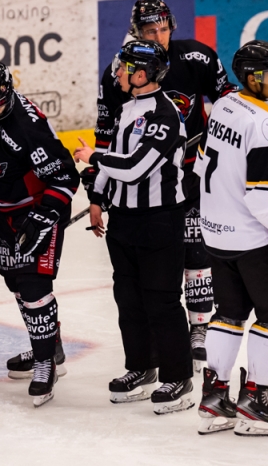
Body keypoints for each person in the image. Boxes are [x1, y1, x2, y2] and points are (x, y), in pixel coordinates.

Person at [95, 0, 238, 368]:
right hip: (148, 181)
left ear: (172, 26)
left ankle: (199, 325)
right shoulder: (123, 71)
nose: (157, 37)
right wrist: (97, 188)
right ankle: (160, 337)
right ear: (136, 33)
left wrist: (219, 150)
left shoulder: (197, 58)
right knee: (159, 265)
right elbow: (106, 132)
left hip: (197, 170)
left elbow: (228, 104)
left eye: (162, 28)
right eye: (148, 31)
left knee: (197, 249)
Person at [194, 40, 268, 436]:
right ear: (252, 78)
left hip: (215, 233)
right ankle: (255, 401)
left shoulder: (225, 104)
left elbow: (200, 166)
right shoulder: (266, 129)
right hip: (251, 239)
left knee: (229, 313)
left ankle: (215, 398)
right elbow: (262, 201)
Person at [74, 40, 194, 414]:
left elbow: (134, 167)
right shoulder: (127, 109)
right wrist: (97, 198)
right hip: (124, 221)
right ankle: (141, 368)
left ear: (141, 75)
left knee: (161, 301)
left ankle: (180, 378)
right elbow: (115, 168)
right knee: (129, 301)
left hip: (160, 221)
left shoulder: (166, 114)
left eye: (125, 67)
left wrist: (92, 156)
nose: (119, 72)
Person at [0, 62, 79, 407]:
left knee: (34, 286)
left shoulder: (27, 127)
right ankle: (48, 345)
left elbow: (66, 177)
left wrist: (43, 216)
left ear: (9, 95)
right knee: (14, 283)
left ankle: (45, 363)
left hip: (38, 209)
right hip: (7, 211)